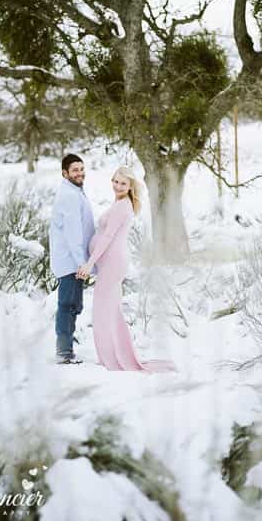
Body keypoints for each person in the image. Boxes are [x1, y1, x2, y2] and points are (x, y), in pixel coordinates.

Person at [77, 167, 175, 373]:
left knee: (103, 312)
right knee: (112, 311)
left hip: (113, 263)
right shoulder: (120, 203)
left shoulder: (122, 206)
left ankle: (111, 359)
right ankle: (115, 356)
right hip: (112, 262)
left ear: (130, 186)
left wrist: (89, 263)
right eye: (115, 181)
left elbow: (107, 237)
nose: (118, 186)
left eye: (123, 183)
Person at [49, 152, 95, 365]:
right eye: (75, 170)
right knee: (67, 305)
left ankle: (67, 348)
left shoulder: (75, 191)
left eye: (81, 169)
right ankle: (63, 352)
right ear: (64, 173)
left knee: (73, 305)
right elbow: (72, 233)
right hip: (70, 261)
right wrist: (81, 263)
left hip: (74, 261)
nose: (80, 173)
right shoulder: (68, 195)